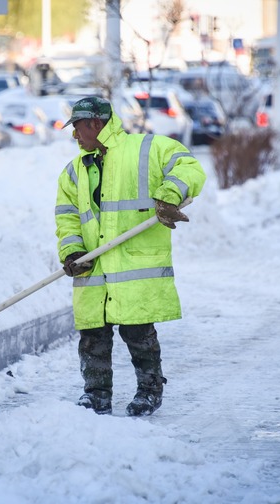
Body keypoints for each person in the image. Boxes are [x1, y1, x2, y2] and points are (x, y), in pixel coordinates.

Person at [54, 97, 206, 417]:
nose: (74, 135)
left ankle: (149, 391)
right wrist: (72, 251)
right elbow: (67, 217)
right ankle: (96, 395)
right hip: (93, 267)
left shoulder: (148, 149)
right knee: (93, 334)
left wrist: (168, 197)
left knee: (138, 333)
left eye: (78, 127)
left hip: (133, 265)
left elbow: (189, 167)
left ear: (96, 124)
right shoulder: (74, 172)